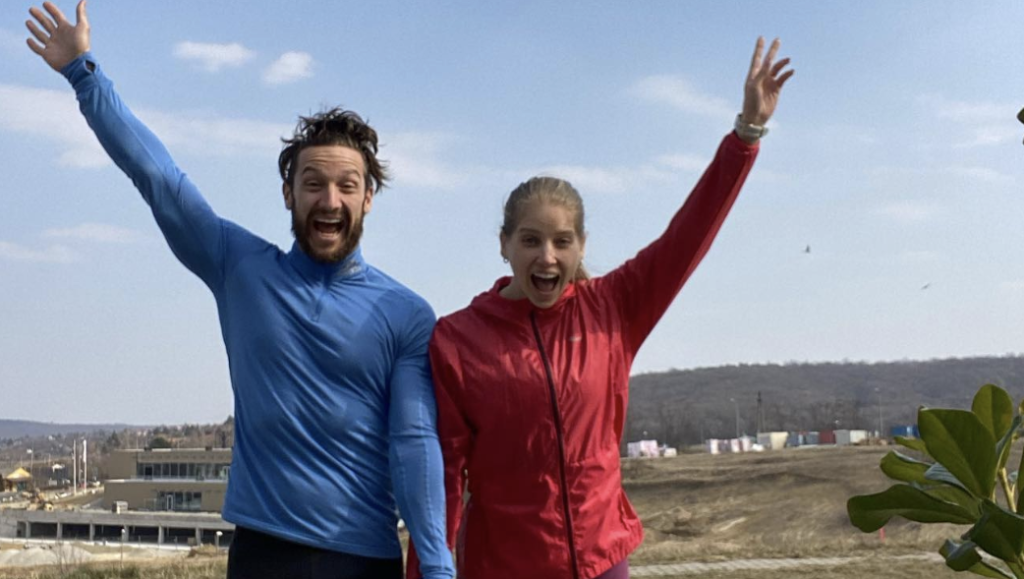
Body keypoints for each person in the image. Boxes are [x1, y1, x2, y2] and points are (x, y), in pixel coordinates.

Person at [24, 3, 454, 578]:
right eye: (313, 184)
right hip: (261, 554)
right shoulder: (240, 268)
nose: (330, 200)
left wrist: (439, 566)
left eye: (347, 186)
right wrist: (84, 73)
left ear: (368, 198)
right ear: (288, 194)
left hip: (362, 558)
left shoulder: (406, 314)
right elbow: (160, 180)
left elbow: (413, 441)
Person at [409, 38, 793, 579]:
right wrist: (427, 571)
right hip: (504, 566)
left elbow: (688, 236)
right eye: (530, 240)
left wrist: (746, 134)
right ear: (504, 245)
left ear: (581, 246)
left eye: (562, 242)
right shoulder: (457, 340)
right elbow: (443, 477)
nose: (547, 257)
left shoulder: (613, 308)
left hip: (601, 561)